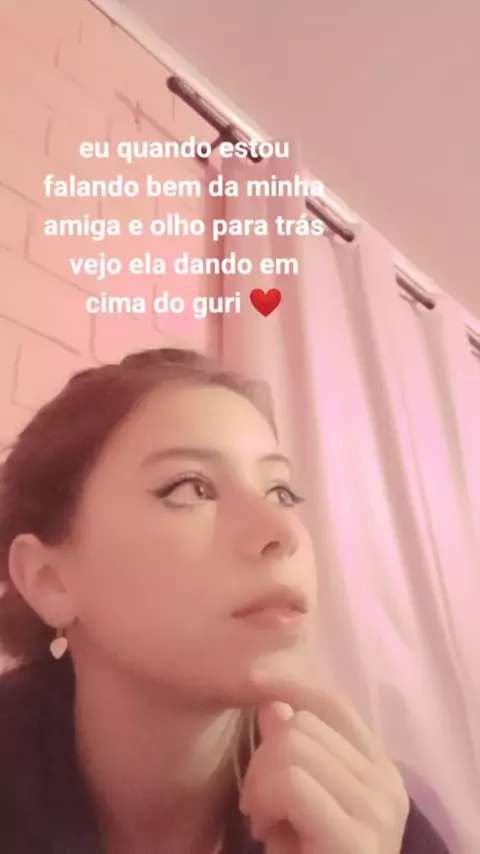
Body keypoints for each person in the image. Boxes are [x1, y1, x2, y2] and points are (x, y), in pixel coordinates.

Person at [0, 347, 450, 854]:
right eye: (191, 487)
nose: (282, 531)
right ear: (50, 581)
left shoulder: (374, 820)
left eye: (282, 493)